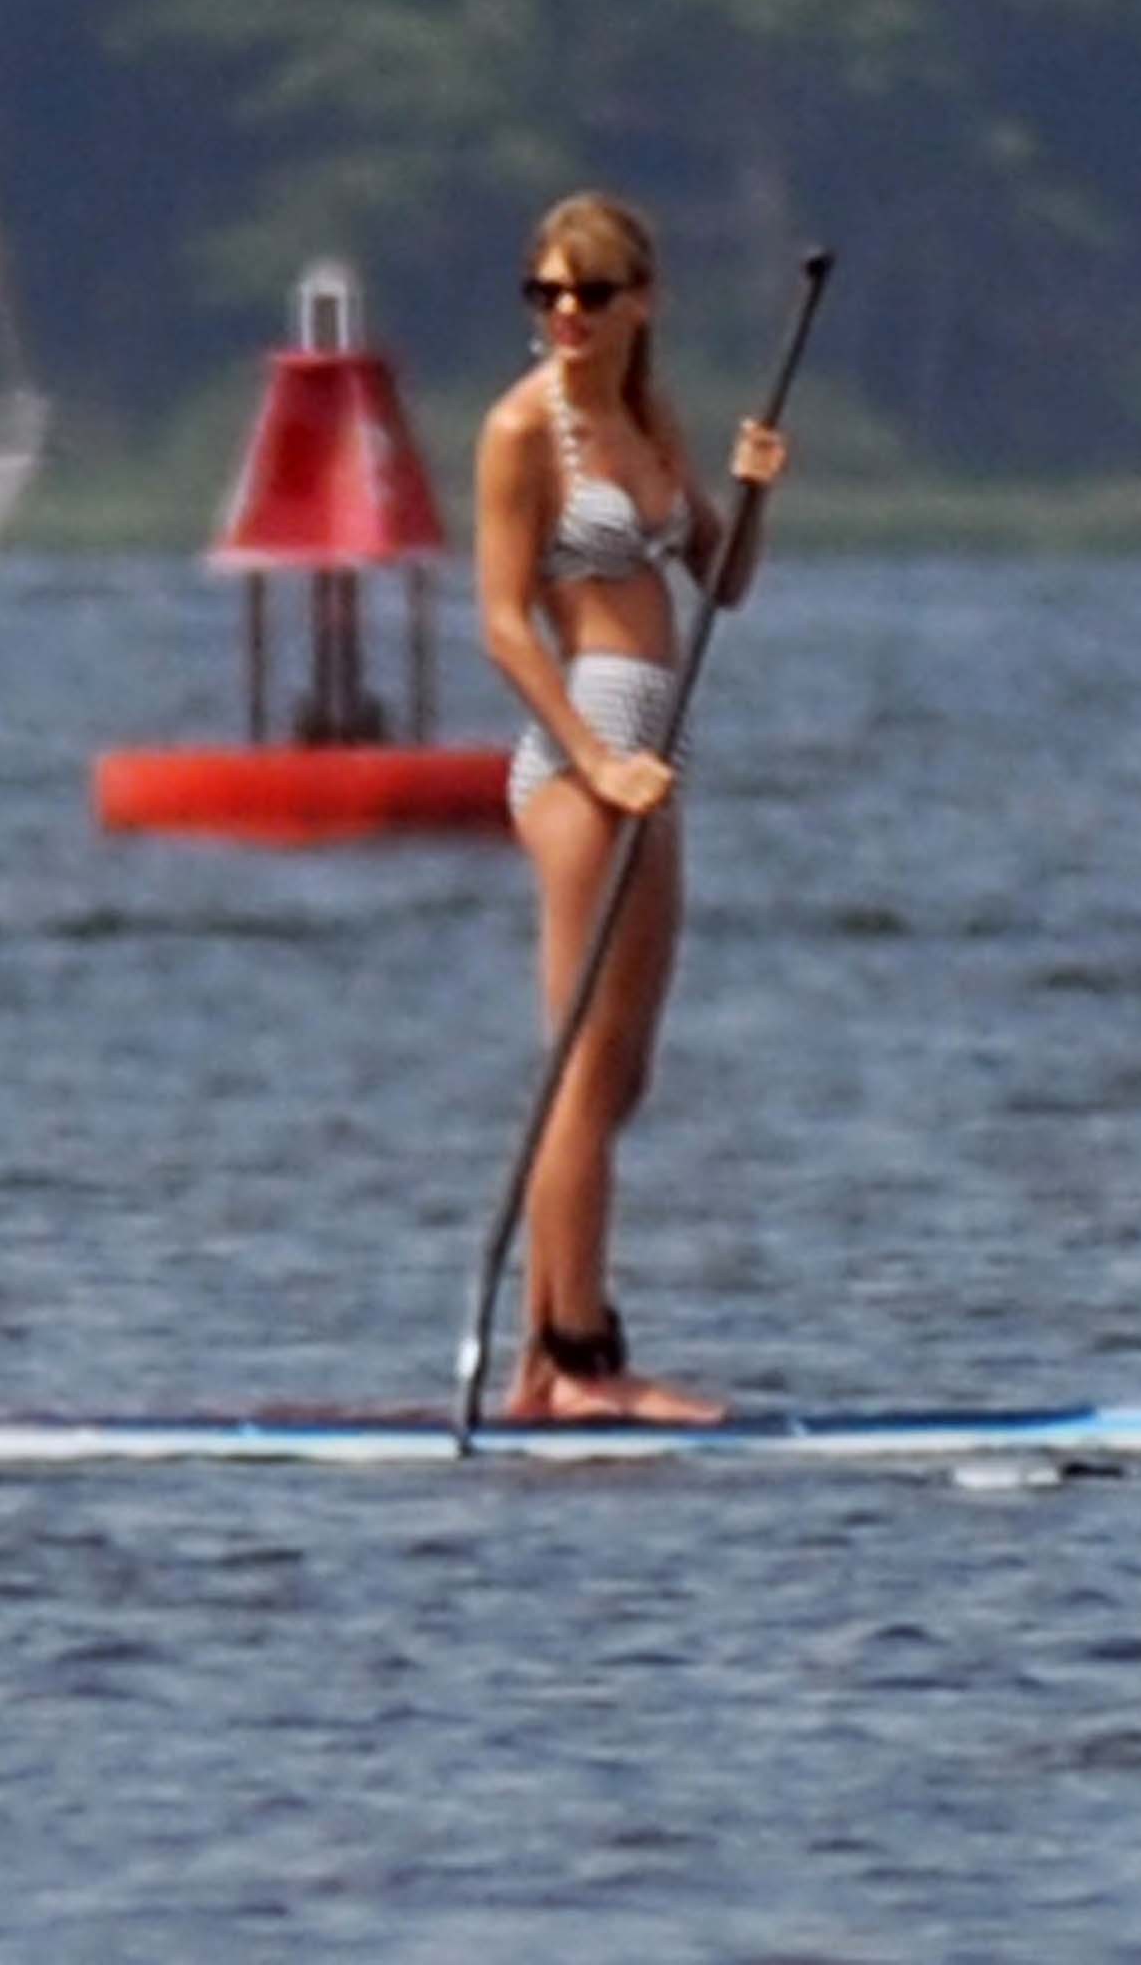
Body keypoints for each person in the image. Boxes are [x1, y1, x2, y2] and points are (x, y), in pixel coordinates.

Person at [474, 190, 790, 1422]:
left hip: (658, 748)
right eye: (546, 291)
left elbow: (724, 582)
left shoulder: (650, 416)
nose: (566, 313)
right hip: (583, 755)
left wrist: (752, 493)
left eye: (590, 293)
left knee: (622, 1076)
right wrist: (594, 765)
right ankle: (580, 1360)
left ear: (640, 303)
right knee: (582, 1066)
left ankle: (541, 1368)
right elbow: (505, 624)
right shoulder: (521, 430)